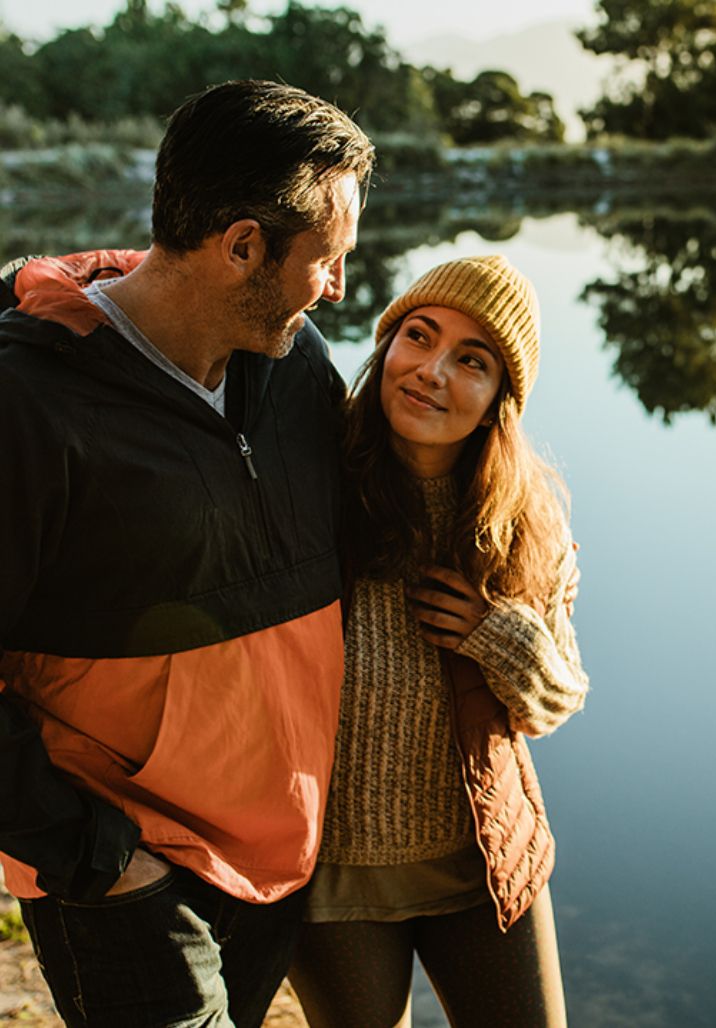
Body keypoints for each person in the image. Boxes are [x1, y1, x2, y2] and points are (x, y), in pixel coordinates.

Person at [0, 80, 374, 1026]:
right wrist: (94, 856)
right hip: (126, 874)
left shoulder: (297, 370)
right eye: (327, 262)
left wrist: (526, 552)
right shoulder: (25, 405)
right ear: (242, 245)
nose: (337, 287)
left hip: (275, 860)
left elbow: (387, 521)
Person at [288, 256, 588, 1027]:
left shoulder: (524, 525)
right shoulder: (309, 486)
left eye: (471, 361)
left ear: (498, 401)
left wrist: (500, 635)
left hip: (482, 861)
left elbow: (558, 697)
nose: (431, 371)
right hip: (335, 879)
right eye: (417, 337)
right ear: (386, 346)